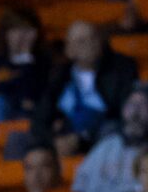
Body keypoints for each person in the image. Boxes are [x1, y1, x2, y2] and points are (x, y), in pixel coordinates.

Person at [38, 22, 140, 151]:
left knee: (111, 131)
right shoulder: (59, 75)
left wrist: (83, 137)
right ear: (69, 49)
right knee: (18, 139)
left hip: (103, 132)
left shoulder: (121, 67)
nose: (90, 44)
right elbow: (41, 116)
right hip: (66, 134)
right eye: (81, 41)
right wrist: (53, 140)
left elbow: (123, 111)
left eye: (94, 38)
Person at [80, 88, 148, 192]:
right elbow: (80, 186)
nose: (136, 111)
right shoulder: (107, 145)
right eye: (132, 104)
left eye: (143, 105)